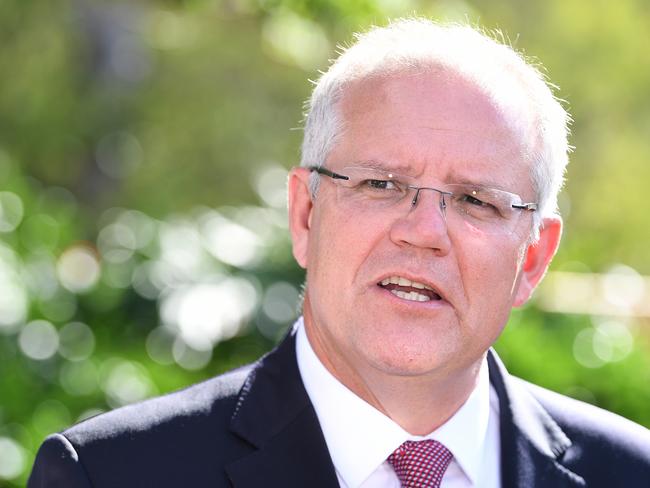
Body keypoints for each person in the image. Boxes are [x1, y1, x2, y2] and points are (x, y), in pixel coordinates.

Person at [29, 18, 650, 488]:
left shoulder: (631, 472)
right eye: (381, 185)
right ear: (304, 214)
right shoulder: (113, 473)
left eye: (477, 202)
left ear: (533, 259)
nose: (424, 231)